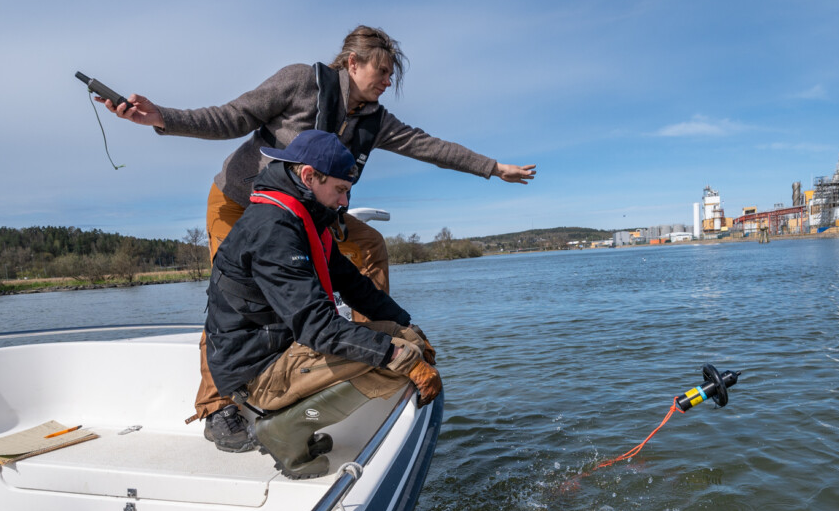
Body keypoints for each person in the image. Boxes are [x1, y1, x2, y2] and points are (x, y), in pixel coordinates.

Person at [99, 26, 534, 449]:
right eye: (382, 72)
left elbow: (428, 146)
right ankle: (216, 406)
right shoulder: (300, 82)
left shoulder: (376, 120)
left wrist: (493, 168)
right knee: (230, 293)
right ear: (352, 62)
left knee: (369, 246)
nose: (388, 82)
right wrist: (162, 118)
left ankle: (366, 351)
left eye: (391, 76)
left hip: (312, 208)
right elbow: (232, 117)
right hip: (240, 201)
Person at [205, 129, 441, 478]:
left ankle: (298, 425)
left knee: (409, 341)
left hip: (279, 351)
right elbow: (317, 328)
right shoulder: (274, 231)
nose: (344, 202)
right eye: (341, 190)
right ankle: (283, 431)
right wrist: (399, 354)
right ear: (308, 176)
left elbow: (356, 287)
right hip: (257, 372)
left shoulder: (302, 220)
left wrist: (408, 325)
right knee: (397, 359)